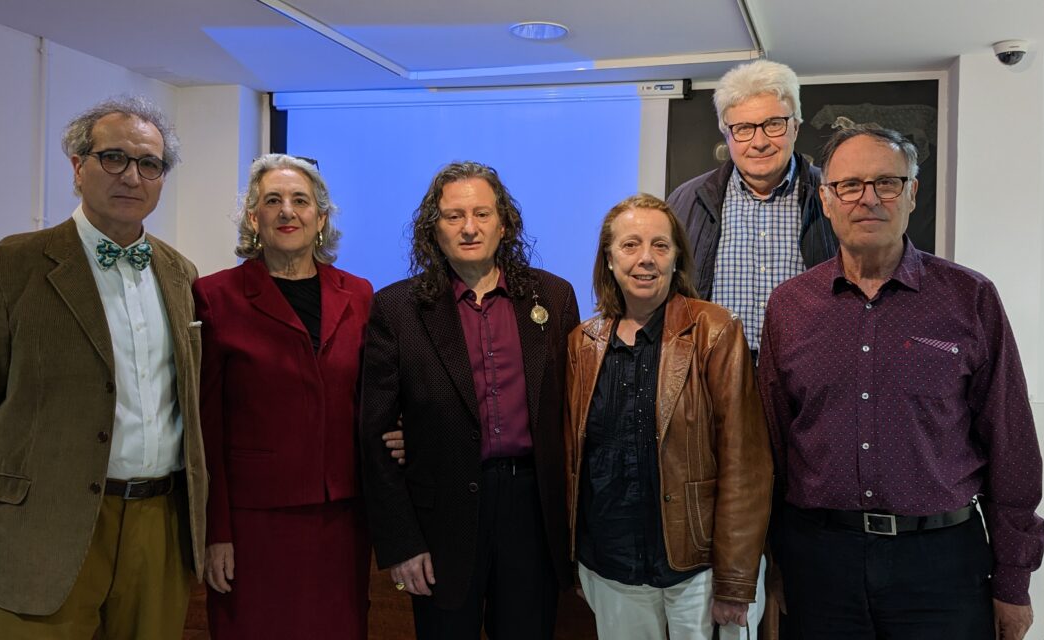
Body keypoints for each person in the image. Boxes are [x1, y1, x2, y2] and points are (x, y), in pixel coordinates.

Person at [0, 96, 205, 638]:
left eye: (149, 164)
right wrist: (15, 490)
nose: (132, 175)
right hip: (48, 522)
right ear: (78, 167)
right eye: (114, 158)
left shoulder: (181, 273)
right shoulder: (7, 266)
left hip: (161, 521)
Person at [757, 126, 1044, 640]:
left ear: (912, 193)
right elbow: (772, 447)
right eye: (849, 185)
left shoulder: (970, 298)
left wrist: (1014, 579)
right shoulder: (789, 307)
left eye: (886, 182)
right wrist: (770, 563)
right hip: (819, 562)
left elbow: (1012, 443)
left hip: (941, 566)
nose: (868, 198)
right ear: (827, 200)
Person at [359, 161, 578, 639]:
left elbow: (570, 412)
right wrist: (400, 543)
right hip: (441, 520)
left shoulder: (554, 298)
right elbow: (375, 437)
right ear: (432, 228)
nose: (470, 227)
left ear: (504, 221)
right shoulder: (397, 309)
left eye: (482, 212)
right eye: (453, 216)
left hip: (531, 515)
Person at [564, 194, 771, 640]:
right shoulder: (583, 343)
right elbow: (575, 458)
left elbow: (746, 466)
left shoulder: (715, 331)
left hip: (699, 570)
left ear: (678, 257)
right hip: (613, 566)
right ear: (609, 259)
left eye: (660, 245)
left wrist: (735, 581)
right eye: (630, 245)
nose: (645, 259)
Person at [192, 154, 373, 638]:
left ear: (321, 217)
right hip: (254, 526)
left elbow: (373, 398)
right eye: (272, 201)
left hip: (342, 520)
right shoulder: (214, 296)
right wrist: (217, 532)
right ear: (254, 218)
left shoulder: (359, 295)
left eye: (300, 201)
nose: (287, 211)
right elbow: (206, 425)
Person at [667, 59, 838, 355]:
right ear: (727, 136)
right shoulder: (685, 201)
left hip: (806, 376)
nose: (759, 142)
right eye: (744, 128)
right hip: (712, 379)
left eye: (773, 124)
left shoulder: (836, 195)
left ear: (795, 127)